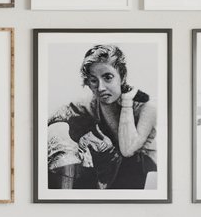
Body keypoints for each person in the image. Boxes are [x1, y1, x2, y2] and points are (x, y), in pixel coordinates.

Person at [48, 44, 157, 190]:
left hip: (146, 180)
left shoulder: (146, 107)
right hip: (108, 179)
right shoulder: (88, 104)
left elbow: (128, 149)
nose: (100, 87)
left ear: (122, 76)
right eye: (94, 80)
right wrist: (80, 138)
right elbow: (55, 117)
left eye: (107, 77)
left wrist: (126, 103)